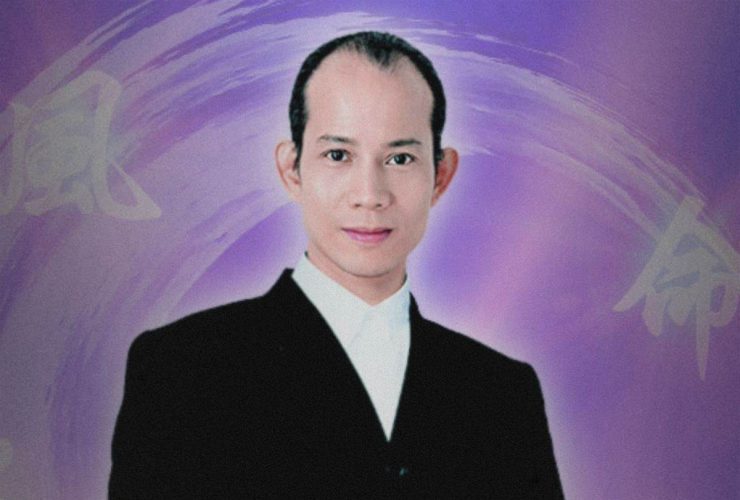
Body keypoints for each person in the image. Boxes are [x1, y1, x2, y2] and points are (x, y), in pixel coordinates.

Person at [109, 31, 563, 498]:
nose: (370, 195)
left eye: (400, 158)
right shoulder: (184, 370)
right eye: (338, 155)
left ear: (441, 176)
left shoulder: (502, 394)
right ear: (292, 169)